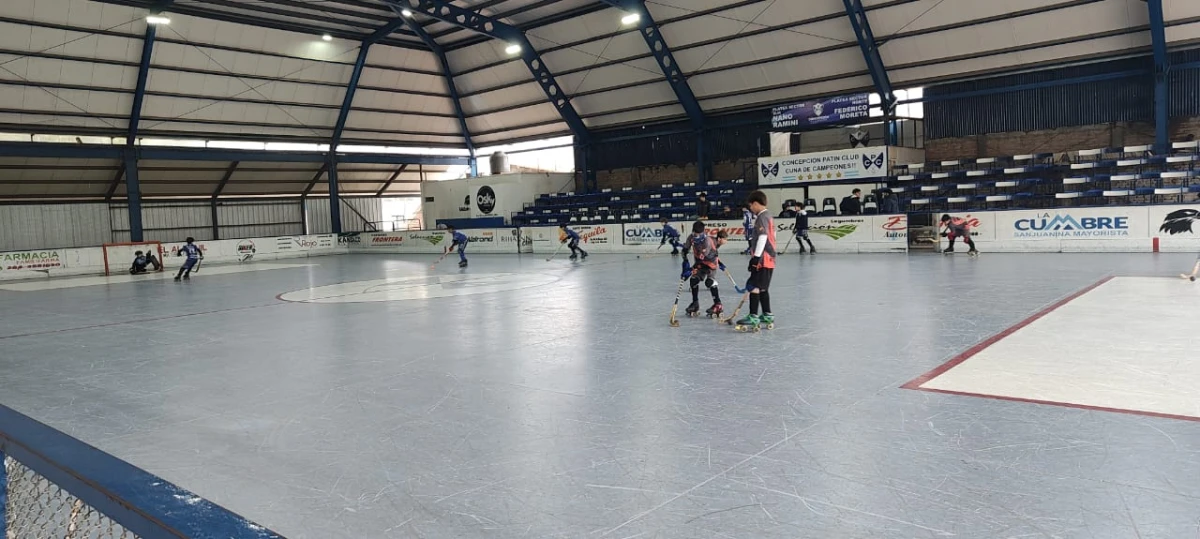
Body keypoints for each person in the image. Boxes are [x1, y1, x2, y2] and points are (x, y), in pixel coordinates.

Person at [735, 191, 777, 331]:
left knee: (754, 286)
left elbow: (763, 237)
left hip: (763, 259)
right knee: (763, 287)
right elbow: (773, 235)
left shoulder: (761, 217)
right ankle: (767, 314)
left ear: (756, 203)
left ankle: (753, 315)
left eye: (751, 205)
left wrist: (756, 258)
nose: (751, 208)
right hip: (769, 259)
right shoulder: (769, 216)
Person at [681, 223, 727, 319]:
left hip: (710, 264)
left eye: (699, 234)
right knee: (693, 280)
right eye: (695, 233)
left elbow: (701, 259)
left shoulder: (707, 242)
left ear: (703, 232)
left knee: (709, 282)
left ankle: (718, 304)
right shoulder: (691, 238)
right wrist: (685, 262)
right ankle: (695, 303)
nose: (696, 236)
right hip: (700, 263)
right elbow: (685, 250)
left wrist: (690, 270)